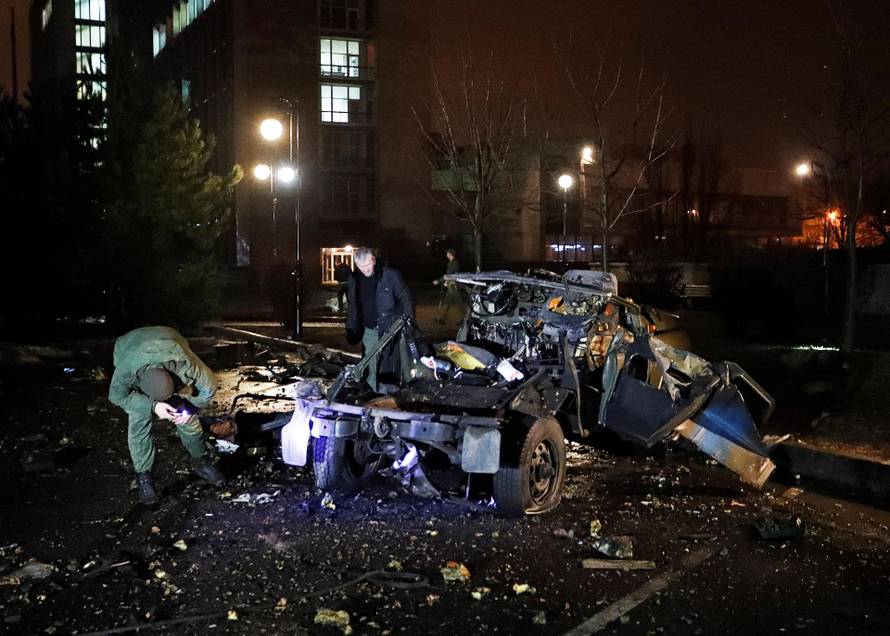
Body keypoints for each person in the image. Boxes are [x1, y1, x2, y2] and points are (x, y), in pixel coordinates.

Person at [108, 326, 224, 506]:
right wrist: (152, 406)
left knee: (187, 416)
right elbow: (116, 396)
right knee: (138, 420)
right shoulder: (126, 370)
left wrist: (190, 408)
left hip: (169, 342)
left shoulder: (184, 363)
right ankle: (143, 475)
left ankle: (200, 461)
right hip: (128, 348)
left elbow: (209, 387)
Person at [345, 248, 415, 391]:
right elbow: (353, 306)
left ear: (373, 260)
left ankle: (393, 395)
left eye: (368, 264)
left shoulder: (389, 275)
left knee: (391, 366)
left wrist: (409, 321)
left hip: (391, 329)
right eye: (362, 266)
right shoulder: (354, 280)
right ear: (356, 265)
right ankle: (372, 396)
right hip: (369, 329)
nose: (366, 269)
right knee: (370, 366)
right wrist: (351, 327)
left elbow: (406, 298)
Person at [433, 248, 462, 325]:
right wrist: (445, 281)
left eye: (447, 253)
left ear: (450, 254)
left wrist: (439, 281)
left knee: (459, 304)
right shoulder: (450, 262)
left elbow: (450, 275)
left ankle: (465, 320)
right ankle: (442, 318)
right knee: (447, 302)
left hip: (453, 286)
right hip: (451, 286)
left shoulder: (454, 263)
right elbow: (448, 275)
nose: (446, 254)